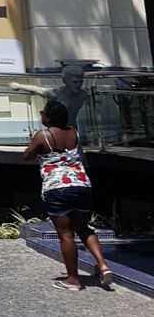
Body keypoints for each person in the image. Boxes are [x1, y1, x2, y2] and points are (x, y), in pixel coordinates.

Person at [23, 98, 113, 291]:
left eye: (43, 112)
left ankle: (73, 280)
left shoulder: (42, 136)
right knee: (84, 228)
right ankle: (103, 266)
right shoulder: (74, 132)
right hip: (82, 185)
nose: (41, 113)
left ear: (49, 117)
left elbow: (27, 156)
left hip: (57, 187)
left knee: (65, 234)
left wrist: (33, 143)